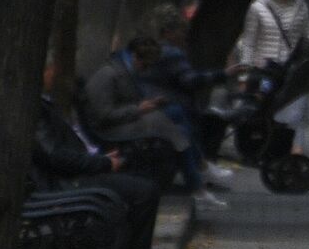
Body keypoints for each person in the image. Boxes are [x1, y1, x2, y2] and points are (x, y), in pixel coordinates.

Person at [33, 60, 162, 249]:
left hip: (77, 172)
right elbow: (54, 156)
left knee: (143, 184)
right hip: (65, 182)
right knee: (141, 192)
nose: (55, 74)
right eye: (51, 68)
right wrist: (101, 163)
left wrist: (101, 159)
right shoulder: (35, 108)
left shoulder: (43, 103)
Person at [80, 36, 227, 209]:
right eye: (144, 65)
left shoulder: (125, 71)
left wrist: (148, 105)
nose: (144, 70)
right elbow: (103, 116)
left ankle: (198, 175)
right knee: (172, 128)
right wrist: (139, 109)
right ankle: (198, 181)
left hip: (124, 120)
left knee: (173, 118)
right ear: (135, 57)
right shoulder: (109, 74)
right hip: (110, 129)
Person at [144, 4, 243, 185]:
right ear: (168, 32)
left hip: (156, 102)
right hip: (168, 106)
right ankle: (201, 166)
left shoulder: (153, 50)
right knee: (195, 120)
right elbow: (189, 79)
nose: (183, 36)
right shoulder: (171, 53)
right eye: (180, 31)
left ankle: (201, 165)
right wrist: (223, 74)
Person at [238, 0, 309, 154]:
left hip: (293, 68)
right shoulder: (258, 8)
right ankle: (270, 148)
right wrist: (245, 74)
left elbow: (308, 34)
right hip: (265, 70)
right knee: (267, 111)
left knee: (296, 111)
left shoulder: (300, 4)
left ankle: (295, 151)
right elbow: (249, 42)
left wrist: (308, 58)